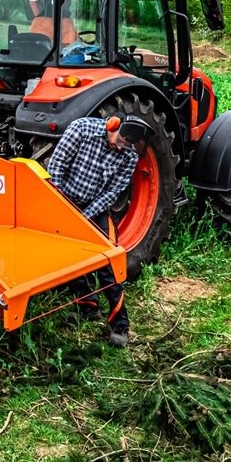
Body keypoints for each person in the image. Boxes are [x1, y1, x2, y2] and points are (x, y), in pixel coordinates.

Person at [47, 113, 153, 348]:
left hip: (95, 207)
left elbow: (112, 193)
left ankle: (120, 325)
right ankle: (88, 306)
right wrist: (66, 211)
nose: (120, 148)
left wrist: (85, 216)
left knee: (108, 261)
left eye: (127, 146)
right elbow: (55, 168)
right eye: (120, 141)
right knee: (68, 255)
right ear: (113, 125)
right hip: (64, 199)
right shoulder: (81, 130)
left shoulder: (129, 156)